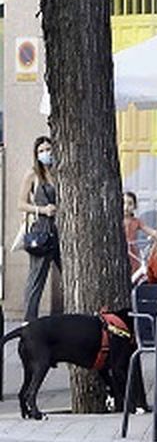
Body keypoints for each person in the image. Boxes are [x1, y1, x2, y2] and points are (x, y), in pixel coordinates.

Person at [19, 136, 60, 321]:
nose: (45, 153)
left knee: (70, 273)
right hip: (42, 230)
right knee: (36, 279)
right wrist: (42, 209)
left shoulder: (59, 173)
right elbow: (21, 203)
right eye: (41, 151)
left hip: (61, 230)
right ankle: (29, 321)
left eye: (48, 149)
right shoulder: (33, 174)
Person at [123, 191, 157, 273]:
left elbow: (149, 230)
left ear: (135, 206)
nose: (126, 207)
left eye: (130, 204)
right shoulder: (115, 221)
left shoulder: (136, 221)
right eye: (123, 203)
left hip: (132, 254)